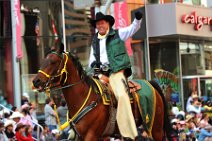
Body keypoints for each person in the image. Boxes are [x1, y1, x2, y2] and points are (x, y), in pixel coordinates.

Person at [89, 11, 142, 140]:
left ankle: (127, 131)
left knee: (122, 96)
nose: (100, 25)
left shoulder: (118, 34)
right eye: (98, 24)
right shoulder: (94, 41)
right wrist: (97, 71)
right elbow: (91, 61)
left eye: (102, 22)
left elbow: (133, 29)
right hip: (100, 73)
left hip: (116, 71)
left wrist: (138, 19)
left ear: (108, 23)